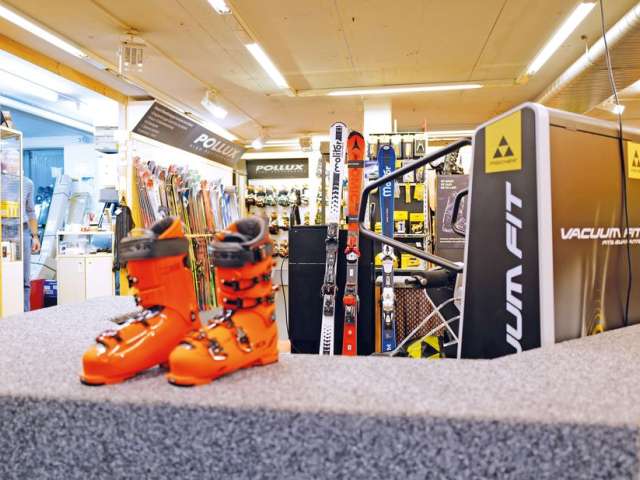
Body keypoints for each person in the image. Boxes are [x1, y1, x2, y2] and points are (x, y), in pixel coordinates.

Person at [22, 176, 40, 311]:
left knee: (25, 280)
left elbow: (30, 211)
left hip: (22, 232)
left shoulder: (27, 183)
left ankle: (25, 313)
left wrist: (35, 236)